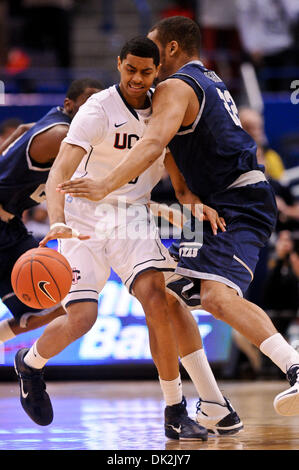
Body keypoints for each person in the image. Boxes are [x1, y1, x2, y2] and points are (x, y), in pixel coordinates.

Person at [60, 17, 299, 417]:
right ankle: (213, 404)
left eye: (154, 50)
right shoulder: (209, 79)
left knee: (216, 297)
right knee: (168, 296)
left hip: (238, 200)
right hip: (212, 205)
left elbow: (155, 143)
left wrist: (104, 186)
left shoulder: (177, 85)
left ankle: (293, 367)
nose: (148, 62)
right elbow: (176, 155)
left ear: (170, 49)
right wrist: (184, 198)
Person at [15, 36, 242, 439]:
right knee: (82, 319)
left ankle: (174, 409)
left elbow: (173, 166)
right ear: (119, 64)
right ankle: (30, 364)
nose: (137, 78)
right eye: (130, 69)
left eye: (146, 71)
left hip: (131, 217)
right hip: (82, 217)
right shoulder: (97, 109)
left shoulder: (165, 107)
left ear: (157, 71)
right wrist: (56, 221)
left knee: (157, 297)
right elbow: (60, 171)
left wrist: (191, 202)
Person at [0, 78, 103, 347]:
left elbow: (24, 128)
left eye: (100, 103)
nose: (96, 108)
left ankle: (20, 357)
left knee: (56, 304)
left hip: (9, 227)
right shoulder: (60, 136)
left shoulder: (63, 127)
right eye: (89, 102)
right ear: (69, 105)